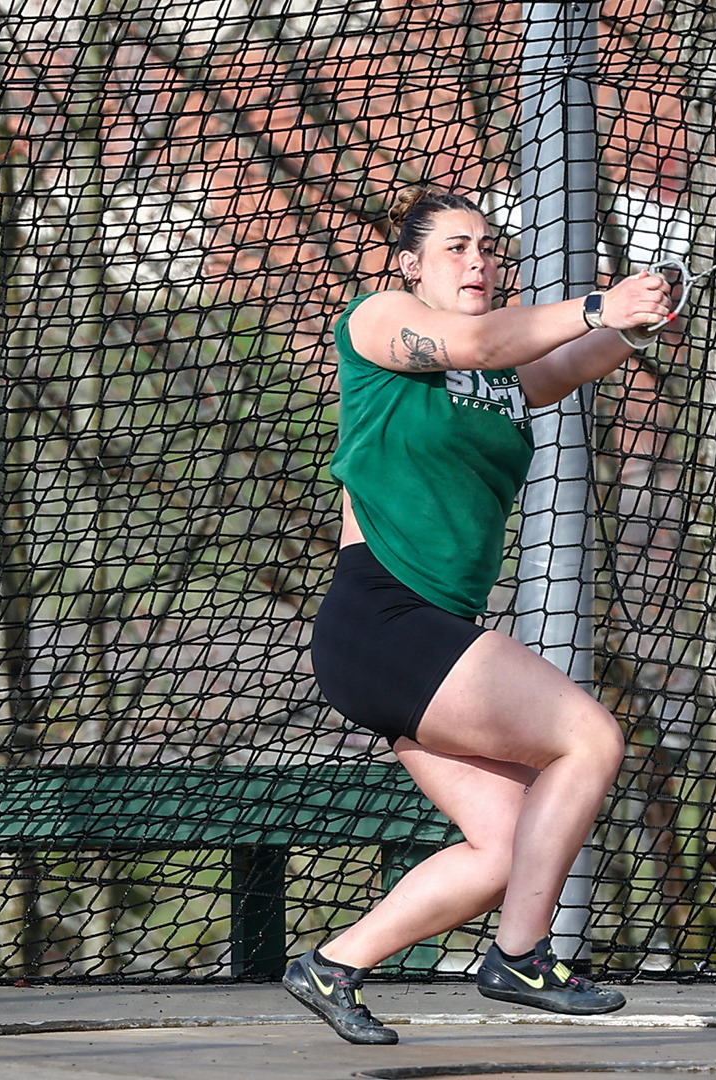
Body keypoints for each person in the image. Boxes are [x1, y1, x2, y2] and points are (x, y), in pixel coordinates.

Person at [282, 185, 675, 1044]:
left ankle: (333, 963)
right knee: (591, 739)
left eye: (491, 248)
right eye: (457, 247)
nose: (480, 261)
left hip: (424, 637)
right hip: (383, 618)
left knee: (504, 848)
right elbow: (480, 339)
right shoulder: (381, 320)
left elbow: (554, 366)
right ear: (411, 263)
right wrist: (600, 301)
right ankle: (521, 957)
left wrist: (631, 321)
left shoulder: (495, 373)